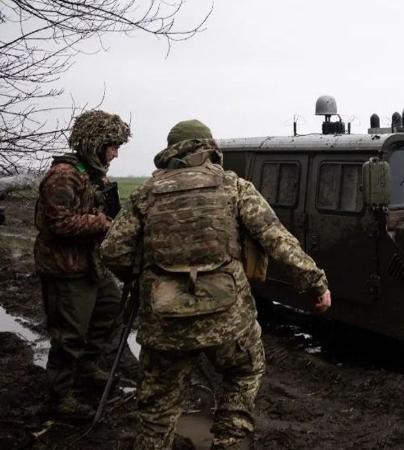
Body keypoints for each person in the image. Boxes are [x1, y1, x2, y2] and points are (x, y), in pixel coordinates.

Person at [101, 119, 331, 450]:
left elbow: (112, 251)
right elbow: (277, 239)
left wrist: (146, 276)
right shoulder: (234, 186)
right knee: (244, 373)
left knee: (157, 409)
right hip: (227, 319)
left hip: (165, 322)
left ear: (172, 151)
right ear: (208, 147)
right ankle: (230, 439)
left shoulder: (146, 193)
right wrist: (315, 284)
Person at [34, 110, 130, 418]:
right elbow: (58, 223)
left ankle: (87, 369)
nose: (115, 154)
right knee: (69, 334)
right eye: (112, 146)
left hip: (90, 265)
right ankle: (59, 398)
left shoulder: (92, 175)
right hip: (65, 269)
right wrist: (102, 223)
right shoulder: (64, 175)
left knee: (110, 310)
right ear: (96, 144)